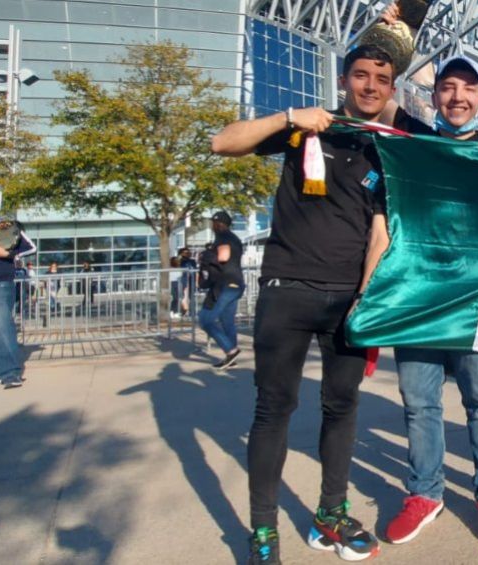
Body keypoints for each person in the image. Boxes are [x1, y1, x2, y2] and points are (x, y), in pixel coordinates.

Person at [212, 45, 423, 564]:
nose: (371, 85)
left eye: (381, 78)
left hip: (346, 304)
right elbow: (222, 142)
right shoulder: (307, 127)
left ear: (392, 88)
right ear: (345, 79)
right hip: (288, 292)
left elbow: (379, 234)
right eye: (361, 75)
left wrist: (365, 299)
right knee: (273, 410)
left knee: (341, 408)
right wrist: (288, 116)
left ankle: (330, 513)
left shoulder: (384, 149)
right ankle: (262, 532)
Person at [383, 56, 478, 549]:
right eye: (447, 88)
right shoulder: (413, 144)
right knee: (420, 405)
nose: (457, 97)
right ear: (434, 95)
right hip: (416, 296)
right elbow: (379, 93)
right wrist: (392, 30)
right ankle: (425, 493)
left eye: (468, 89)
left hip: (474, 301)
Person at [197, 211, 244, 370]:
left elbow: (223, 257)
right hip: (235, 284)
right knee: (227, 321)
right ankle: (231, 358)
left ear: (220, 224)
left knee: (206, 319)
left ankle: (231, 351)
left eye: (213, 223)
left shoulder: (224, 236)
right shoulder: (233, 237)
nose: (212, 226)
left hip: (226, 285)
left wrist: (206, 257)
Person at [0, 213, 35, 389]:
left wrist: (8, 254)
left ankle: (10, 373)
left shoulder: (5, 226)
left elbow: (31, 248)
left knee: (2, 328)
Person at [178, 247, 197, 316]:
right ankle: (182, 311)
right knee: (182, 296)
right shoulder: (179, 261)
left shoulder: (192, 261)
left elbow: (195, 271)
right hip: (182, 280)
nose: (188, 254)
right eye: (185, 253)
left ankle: (192, 311)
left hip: (191, 280)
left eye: (188, 253)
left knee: (192, 296)